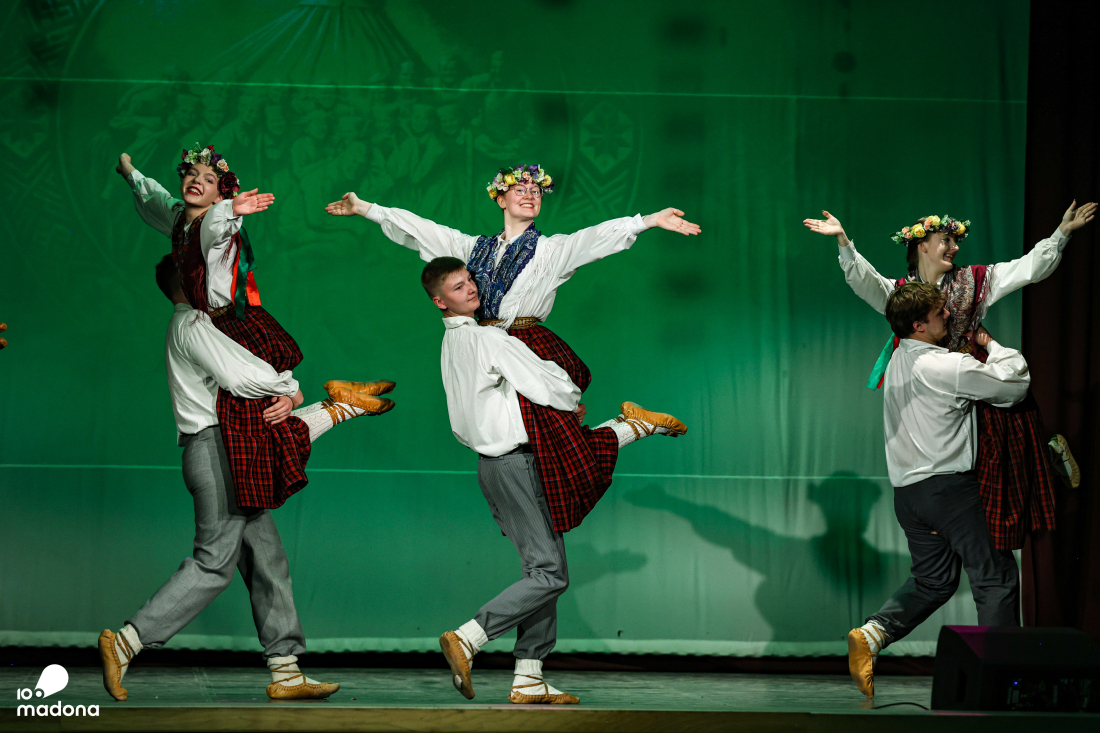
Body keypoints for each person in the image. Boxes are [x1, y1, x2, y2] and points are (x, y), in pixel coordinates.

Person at [325, 164, 700, 535]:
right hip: (485, 348)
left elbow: (592, 239)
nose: (529, 195)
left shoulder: (551, 250)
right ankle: (626, 429)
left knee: (559, 452)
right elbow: (423, 230)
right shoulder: (473, 249)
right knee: (537, 445)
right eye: (520, 190)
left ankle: (627, 431)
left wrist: (647, 221)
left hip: (525, 346)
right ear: (500, 199)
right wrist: (366, 208)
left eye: (536, 191)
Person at [98, 256, 394, 702]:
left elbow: (250, 374)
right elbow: (240, 377)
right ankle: (126, 642)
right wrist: (288, 389)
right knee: (214, 562)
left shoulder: (205, 323)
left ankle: (286, 671)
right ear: (191, 282)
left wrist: (284, 392)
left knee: (267, 561)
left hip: (231, 442)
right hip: (218, 449)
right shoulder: (193, 325)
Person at [421, 257, 687, 704]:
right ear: (439, 301)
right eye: (457, 286)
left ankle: (529, 675)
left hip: (496, 465)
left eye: (469, 281)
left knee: (542, 571)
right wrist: (569, 400)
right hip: (515, 465)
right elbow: (545, 381)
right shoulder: (488, 338)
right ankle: (469, 637)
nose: (470, 289)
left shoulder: (452, 343)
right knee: (549, 574)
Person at [803, 203, 1096, 548]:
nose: (955, 247)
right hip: (932, 385)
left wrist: (1061, 234)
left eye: (956, 242)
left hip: (968, 376)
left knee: (1001, 457)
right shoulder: (902, 293)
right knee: (950, 456)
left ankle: (1046, 458)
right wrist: (843, 240)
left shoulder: (974, 280)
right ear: (922, 245)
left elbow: (1026, 269)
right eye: (946, 240)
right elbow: (865, 281)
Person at [119, 145, 359, 510]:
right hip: (220, 324)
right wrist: (130, 173)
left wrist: (232, 210)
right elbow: (157, 199)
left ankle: (326, 404)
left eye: (209, 180)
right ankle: (337, 406)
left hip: (233, 321)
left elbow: (215, 229)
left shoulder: (212, 224)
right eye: (191, 174)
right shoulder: (180, 221)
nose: (196, 181)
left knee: (265, 418)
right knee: (262, 431)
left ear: (219, 194)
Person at [848, 282, 1030, 698]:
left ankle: (872, 634)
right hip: (949, 491)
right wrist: (992, 345)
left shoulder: (898, 358)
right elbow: (1013, 386)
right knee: (995, 577)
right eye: (940, 313)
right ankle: (1001, 685)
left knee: (934, 580)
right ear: (918, 325)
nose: (948, 314)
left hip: (909, 495)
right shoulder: (945, 366)